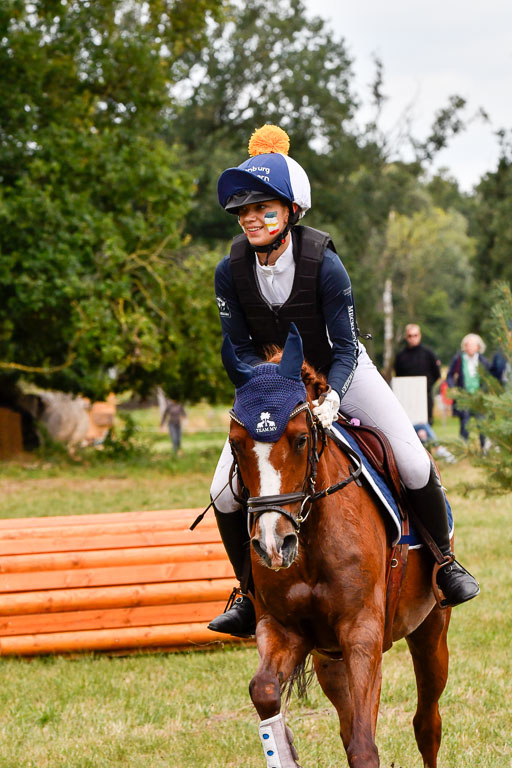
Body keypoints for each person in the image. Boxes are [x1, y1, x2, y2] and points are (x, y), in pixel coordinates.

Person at [208, 125, 479, 638]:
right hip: (273, 388)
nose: (250, 219)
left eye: (264, 208)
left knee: (415, 460)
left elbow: (347, 346)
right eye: (243, 211)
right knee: (223, 490)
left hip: (342, 375)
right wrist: (263, 387)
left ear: (292, 212)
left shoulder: (325, 265)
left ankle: (444, 563)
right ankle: (247, 592)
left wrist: (331, 397)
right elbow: (239, 348)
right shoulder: (230, 272)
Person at [446, 334, 490, 449]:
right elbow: (449, 376)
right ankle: (464, 449)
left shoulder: (482, 361)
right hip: (464, 397)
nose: (469, 347)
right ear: (464, 347)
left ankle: (484, 448)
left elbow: (489, 378)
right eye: (467, 345)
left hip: (479, 398)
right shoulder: (459, 359)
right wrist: (453, 388)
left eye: (472, 345)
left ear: (478, 347)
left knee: (482, 424)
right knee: (464, 424)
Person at [394, 323, 441, 426]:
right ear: (406, 337)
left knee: (426, 426)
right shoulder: (401, 356)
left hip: (425, 395)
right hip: (407, 397)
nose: (413, 338)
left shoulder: (429, 353)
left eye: (415, 335)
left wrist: (426, 386)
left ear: (419, 336)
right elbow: (398, 376)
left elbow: (437, 374)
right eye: (410, 336)